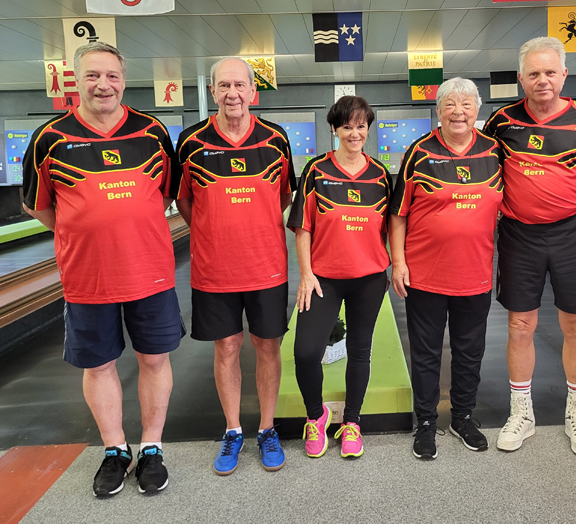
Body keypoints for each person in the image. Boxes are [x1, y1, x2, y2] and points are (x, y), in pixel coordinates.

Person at [22, 42, 185, 496]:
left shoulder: (152, 132)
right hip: (87, 276)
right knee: (98, 365)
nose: (103, 84)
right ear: (75, 80)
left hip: (149, 270)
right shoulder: (49, 139)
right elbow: (38, 205)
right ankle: (115, 450)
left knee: (155, 359)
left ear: (124, 80)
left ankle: (151, 447)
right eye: (92, 75)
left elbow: (164, 193)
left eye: (111, 75)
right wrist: (82, 230)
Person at [484, 36, 576, 457]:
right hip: (519, 234)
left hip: (574, 233)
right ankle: (522, 413)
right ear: (521, 78)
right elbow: (483, 179)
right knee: (520, 326)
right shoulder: (501, 122)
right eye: (534, 73)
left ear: (564, 75)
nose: (543, 80)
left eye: (550, 72)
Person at [174, 57, 295, 475]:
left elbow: (282, 196)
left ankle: (266, 429)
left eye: (240, 85)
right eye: (224, 85)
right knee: (226, 347)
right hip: (215, 270)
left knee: (267, 346)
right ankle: (232, 430)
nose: (232, 94)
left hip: (266, 266)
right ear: (212, 91)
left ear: (253, 91)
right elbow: (185, 201)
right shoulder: (191, 142)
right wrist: (214, 231)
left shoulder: (275, 139)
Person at [390, 77, 503, 460]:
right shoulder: (419, 152)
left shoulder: (493, 151)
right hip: (426, 275)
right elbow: (398, 213)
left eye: (466, 104)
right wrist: (398, 262)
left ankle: (462, 418)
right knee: (426, 354)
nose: (458, 112)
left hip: (475, 274)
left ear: (477, 110)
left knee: (469, 353)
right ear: (437, 111)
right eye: (450, 105)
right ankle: (425, 421)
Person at [287, 96, 392, 459]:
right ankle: (316, 416)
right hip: (323, 280)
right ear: (334, 129)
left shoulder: (380, 175)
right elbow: (303, 226)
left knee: (361, 350)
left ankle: (352, 422)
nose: (354, 133)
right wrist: (306, 274)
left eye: (361, 126)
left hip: (369, 279)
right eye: (347, 126)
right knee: (305, 353)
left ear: (368, 129)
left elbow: (392, 225)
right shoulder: (316, 170)